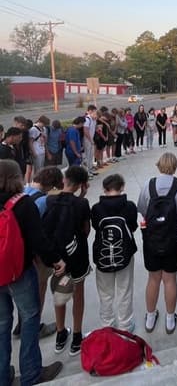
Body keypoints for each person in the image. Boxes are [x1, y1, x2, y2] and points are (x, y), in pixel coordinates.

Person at [0, 160, 65, 385]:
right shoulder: (22, 203)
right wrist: (55, 260)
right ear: (15, 178)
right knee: (29, 319)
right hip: (19, 271)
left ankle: (2, 375)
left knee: (2, 324)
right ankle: (31, 373)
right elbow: (39, 240)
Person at [137, 153, 177, 335]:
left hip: (152, 239)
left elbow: (143, 210)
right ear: (175, 167)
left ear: (158, 165)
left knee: (153, 278)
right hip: (173, 239)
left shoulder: (148, 185)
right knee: (170, 279)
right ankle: (170, 319)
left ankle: (151, 316)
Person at [43, 165, 91, 357]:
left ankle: (61, 333)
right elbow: (86, 230)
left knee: (60, 294)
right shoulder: (82, 204)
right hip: (77, 256)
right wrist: (82, 196)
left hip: (57, 257)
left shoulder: (50, 200)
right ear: (81, 184)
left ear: (64, 180)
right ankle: (77, 336)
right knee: (78, 294)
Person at [91, 174, 138, 332]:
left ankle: (107, 325)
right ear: (122, 187)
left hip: (102, 256)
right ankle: (126, 325)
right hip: (124, 253)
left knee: (105, 294)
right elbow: (133, 226)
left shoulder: (97, 208)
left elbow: (96, 227)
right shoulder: (129, 206)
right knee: (125, 291)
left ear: (104, 189)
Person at [83, 105, 98, 173]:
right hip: (87, 139)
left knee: (91, 154)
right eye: (95, 112)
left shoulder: (93, 119)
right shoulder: (87, 119)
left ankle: (90, 168)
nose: (96, 113)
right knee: (87, 155)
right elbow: (85, 131)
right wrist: (90, 140)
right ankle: (87, 171)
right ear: (90, 111)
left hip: (91, 139)